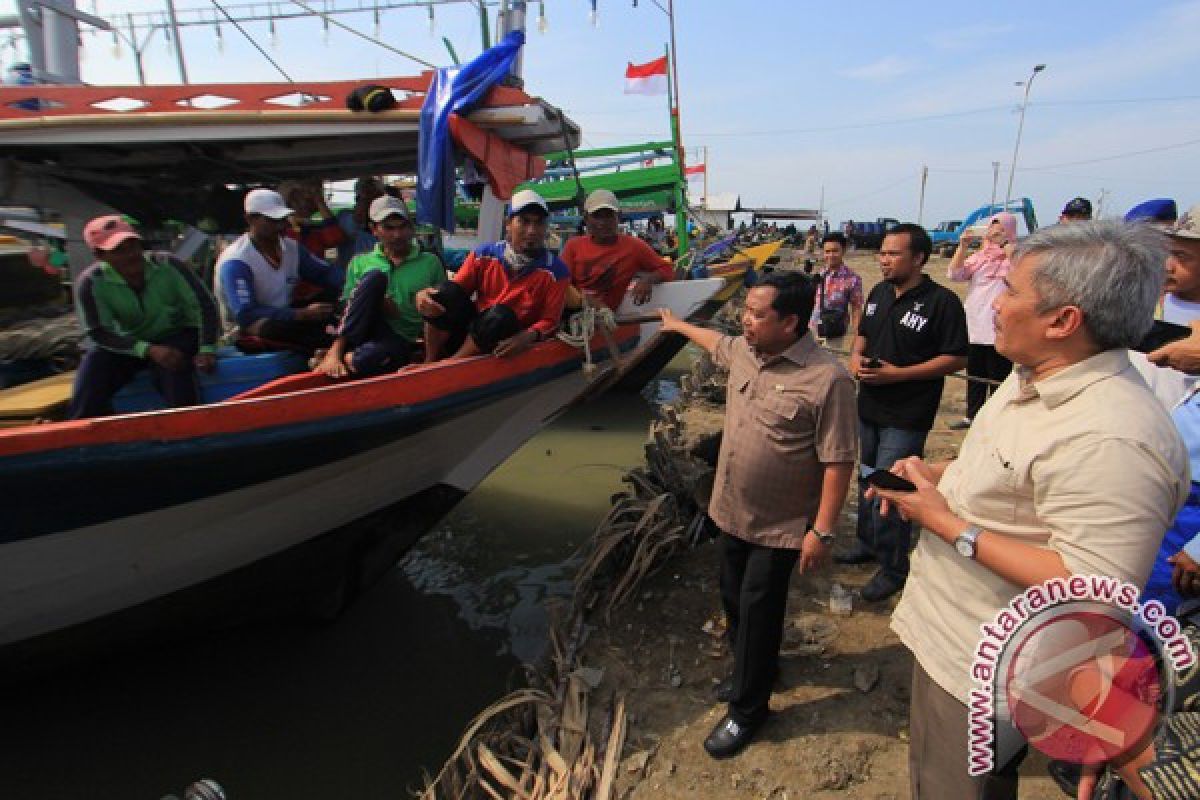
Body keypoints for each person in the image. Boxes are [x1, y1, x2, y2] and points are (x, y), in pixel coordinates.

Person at [871, 221, 1187, 799]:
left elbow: (1093, 586)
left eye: (1010, 290)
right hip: (951, 633)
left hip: (988, 665)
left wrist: (947, 523)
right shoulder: (1035, 377)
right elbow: (1016, 477)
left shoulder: (1113, 437)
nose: (992, 302)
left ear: (1063, 321)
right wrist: (935, 475)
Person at [658, 272, 857, 759]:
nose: (745, 321)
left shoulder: (827, 379)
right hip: (730, 511)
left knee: (758, 610)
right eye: (745, 311)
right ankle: (755, 669)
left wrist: (822, 531)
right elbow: (716, 340)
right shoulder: (746, 350)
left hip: (781, 526)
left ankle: (749, 710)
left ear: (791, 321)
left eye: (756, 314)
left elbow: (838, 461)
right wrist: (676, 326)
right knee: (732, 596)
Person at [835, 223, 968, 603]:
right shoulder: (878, 292)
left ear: (919, 258)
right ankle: (867, 542)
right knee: (866, 477)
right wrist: (858, 359)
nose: (884, 259)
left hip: (907, 413)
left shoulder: (941, 302)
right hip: (869, 406)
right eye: (882, 253)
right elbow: (863, 334)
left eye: (893, 253)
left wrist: (900, 374)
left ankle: (893, 567)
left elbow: (956, 356)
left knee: (892, 488)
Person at [70, 215, 220, 419]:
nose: (130, 255)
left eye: (133, 246)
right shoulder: (91, 282)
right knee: (95, 363)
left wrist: (207, 348)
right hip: (135, 343)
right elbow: (99, 332)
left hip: (178, 333)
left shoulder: (169, 265)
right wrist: (147, 349)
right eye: (119, 251)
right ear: (100, 256)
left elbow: (205, 305)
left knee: (171, 363)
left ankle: (187, 424)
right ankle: (82, 431)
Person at [415, 189, 567, 361]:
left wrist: (527, 336)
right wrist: (426, 296)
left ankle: (451, 363)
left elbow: (550, 321)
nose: (531, 230)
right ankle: (430, 360)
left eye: (538, 223)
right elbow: (454, 292)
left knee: (500, 316)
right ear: (508, 224)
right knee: (442, 293)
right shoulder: (484, 255)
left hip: (507, 341)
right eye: (524, 222)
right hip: (474, 331)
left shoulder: (556, 271)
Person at [316, 196, 446, 379]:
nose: (397, 235)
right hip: (363, 329)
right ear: (374, 230)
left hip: (402, 338)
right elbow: (348, 309)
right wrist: (377, 301)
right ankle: (335, 351)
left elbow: (441, 312)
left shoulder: (430, 262)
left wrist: (430, 354)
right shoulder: (360, 262)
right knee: (374, 278)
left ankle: (348, 357)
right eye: (389, 228)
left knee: (362, 361)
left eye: (402, 227)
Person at [215, 188, 344, 352]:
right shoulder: (236, 260)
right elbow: (245, 313)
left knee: (337, 298)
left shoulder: (290, 247)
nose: (280, 225)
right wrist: (300, 314)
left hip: (288, 312)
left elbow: (326, 273)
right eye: (272, 220)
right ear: (250, 219)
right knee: (276, 328)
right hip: (250, 325)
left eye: (282, 219)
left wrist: (353, 287)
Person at [946, 212, 1016, 429]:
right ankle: (973, 416)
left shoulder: (1015, 254)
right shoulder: (980, 257)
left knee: (998, 374)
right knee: (975, 372)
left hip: (999, 325)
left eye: (1000, 228)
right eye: (992, 227)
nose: (994, 232)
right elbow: (954, 274)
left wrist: (1004, 244)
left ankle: (997, 418)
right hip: (975, 323)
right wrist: (963, 246)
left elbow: (1019, 272)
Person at [560, 189, 674, 311]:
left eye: (609, 215)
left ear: (618, 216)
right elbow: (560, 283)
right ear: (586, 218)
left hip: (613, 319)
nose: (603, 222)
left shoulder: (634, 246)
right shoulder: (573, 246)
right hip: (578, 317)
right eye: (597, 216)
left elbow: (667, 269)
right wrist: (584, 301)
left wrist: (648, 279)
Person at [809, 231, 864, 347]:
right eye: (827, 251)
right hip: (813, 331)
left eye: (835, 251)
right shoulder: (818, 275)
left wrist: (857, 338)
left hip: (834, 334)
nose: (831, 255)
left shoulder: (853, 279)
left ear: (843, 251)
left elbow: (856, 309)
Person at [279, 179, 346, 260]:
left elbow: (335, 238)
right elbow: (335, 238)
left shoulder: (310, 227)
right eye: (305, 197)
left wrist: (320, 202)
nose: (311, 201)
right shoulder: (285, 229)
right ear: (293, 201)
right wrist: (320, 202)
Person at [335, 177, 385, 268]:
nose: (373, 201)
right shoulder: (344, 216)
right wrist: (365, 198)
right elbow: (352, 225)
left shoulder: (385, 221)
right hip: (352, 276)